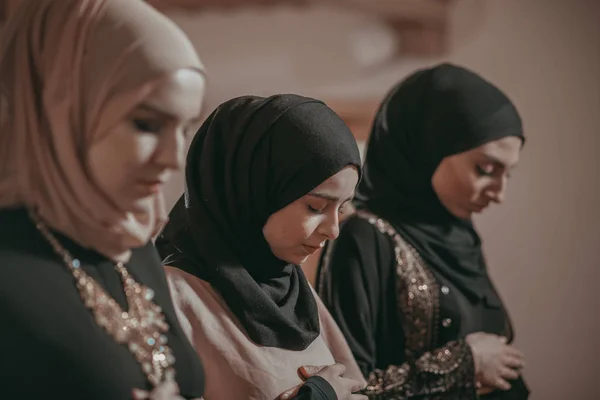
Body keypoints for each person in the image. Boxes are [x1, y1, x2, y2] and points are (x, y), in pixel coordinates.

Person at [0, 0, 207, 398]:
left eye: (184, 128)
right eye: (147, 124)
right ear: (62, 108)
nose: (173, 158)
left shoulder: (132, 246)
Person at [316, 63, 530, 399]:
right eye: (486, 170)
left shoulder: (460, 240)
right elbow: (345, 387)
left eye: (508, 174)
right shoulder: (364, 239)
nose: (499, 193)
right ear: (428, 147)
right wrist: (459, 366)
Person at [155, 94, 367, 400]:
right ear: (252, 193)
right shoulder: (173, 299)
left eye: (342, 209)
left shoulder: (294, 293)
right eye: (316, 207)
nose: (333, 230)